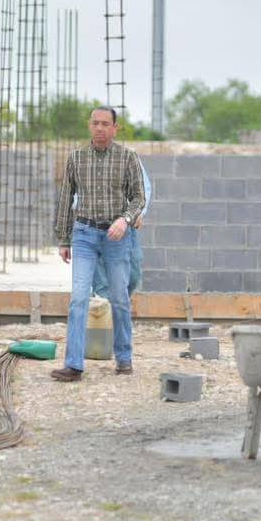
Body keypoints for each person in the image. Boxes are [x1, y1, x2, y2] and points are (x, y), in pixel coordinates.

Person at [50, 107, 145, 382]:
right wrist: (64, 238)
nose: (100, 128)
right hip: (84, 235)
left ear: (115, 128)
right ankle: (74, 365)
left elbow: (139, 198)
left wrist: (125, 220)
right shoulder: (76, 159)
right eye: (95, 123)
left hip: (117, 237)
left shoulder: (128, 158)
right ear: (89, 126)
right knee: (79, 297)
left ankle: (124, 359)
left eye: (106, 124)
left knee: (119, 299)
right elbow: (65, 199)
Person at [91, 163, 151, 297]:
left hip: (126, 225)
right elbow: (76, 194)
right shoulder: (85, 159)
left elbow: (143, 187)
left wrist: (140, 213)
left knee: (133, 276)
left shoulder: (129, 158)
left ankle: (116, 307)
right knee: (103, 285)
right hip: (97, 226)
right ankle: (107, 312)